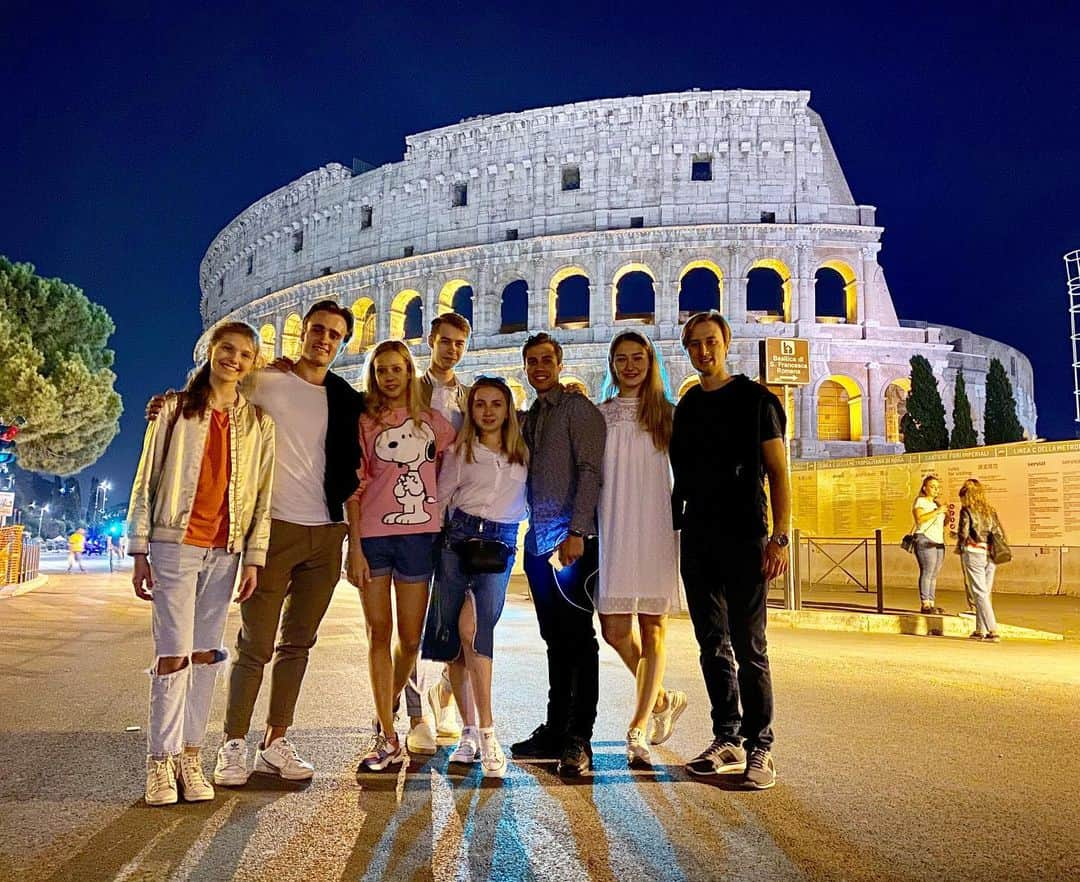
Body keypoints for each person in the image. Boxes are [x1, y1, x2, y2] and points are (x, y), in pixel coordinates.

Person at [150, 300, 365, 786]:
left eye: (334, 334)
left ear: (343, 342)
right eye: (317, 330)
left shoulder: (344, 397)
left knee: (299, 644)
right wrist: (170, 403)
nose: (324, 340)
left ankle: (275, 740)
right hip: (273, 529)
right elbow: (214, 388)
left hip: (326, 533)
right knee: (255, 645)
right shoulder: (265, 381)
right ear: (302, 332)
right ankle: (232, 744)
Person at [127, 321, 275, 807]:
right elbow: (146, 479)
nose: (233, 359)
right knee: (172, 655)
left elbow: (262, 498)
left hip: (227, 550)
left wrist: (254, 558)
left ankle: (192, 754)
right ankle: (160, 760)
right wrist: (139, 550)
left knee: (206, 655)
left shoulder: (259, 423)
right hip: (176, 545)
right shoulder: (172, 409)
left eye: (244, 355)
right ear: (211, 353)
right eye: (226, 350)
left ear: (252, 364)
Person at [669, 310, 789, 790]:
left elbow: (778, 470)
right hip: (698, 536)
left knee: (750, 645)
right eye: (695, 344)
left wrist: (780, 537)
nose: (703, 350)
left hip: (745, 535)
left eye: (710, 341)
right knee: (711, 644)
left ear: (726, 342)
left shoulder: (757, 399)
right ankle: (727, 738)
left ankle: (761, 747)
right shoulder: (689, 405)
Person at [347, 341, 456, 771]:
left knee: (410, 639)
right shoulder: (364, 423)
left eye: (396, 369)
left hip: (419, 537)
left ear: (409, 372)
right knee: (379, 633)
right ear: (373, 376)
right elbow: (353, 489)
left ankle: (384, 707)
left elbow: (460, 462)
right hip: (373, 538)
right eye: (381, 370)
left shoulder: (434, 423)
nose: (389, 377)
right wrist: (353, 547)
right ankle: (388, 735)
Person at [421, 376, 529, 778]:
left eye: (496, 404)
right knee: (456, 636)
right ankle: (470, 731)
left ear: (508, 409)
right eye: (480, 403)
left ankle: (486, 731)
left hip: (500, 545)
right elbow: (442, 496)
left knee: (475, 632)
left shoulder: (523, 454)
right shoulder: (460, 451)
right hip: (457, 542)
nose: (487, 411)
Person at [510, 333, 606, 778]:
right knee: (554, 640)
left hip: (570, 544)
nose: (539, 367)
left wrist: (578, 532)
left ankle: (578, 738)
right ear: (526, 368)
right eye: (532, 362)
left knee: (579, 641)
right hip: (537, 545)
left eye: (546, 359)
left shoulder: (577, 409)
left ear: (559, 362)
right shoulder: (530, 419)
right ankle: (554, 728)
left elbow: (591, 471)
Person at [596, 330, 687, 767]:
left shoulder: (669, 416)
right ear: (612, 365)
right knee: (614, 629)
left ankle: (637, 727)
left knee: (653, 629)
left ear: (651, 363)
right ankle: (663, 698)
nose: (629, 366)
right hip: (613, 525)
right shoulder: (600, 416)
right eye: (621, 359)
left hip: (654, 526)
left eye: (637, 358)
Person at [402, 313, 473, 755]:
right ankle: (413, 714)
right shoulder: (410, 392)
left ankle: (445, 693)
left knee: (455, 618)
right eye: (445, 341)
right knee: (411, 623)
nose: (451, 349)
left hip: (455, 521)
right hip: (412, 515)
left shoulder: (469, 398)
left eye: (459, 343)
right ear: (430, 341)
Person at [955, 478, 1004, 642]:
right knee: (984, 593)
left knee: (979, 593)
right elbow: (999, 533)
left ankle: (992, 630)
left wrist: (959, 543)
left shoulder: (967, 510)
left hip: (974, 551)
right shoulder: (990, 510)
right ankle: (980, 629)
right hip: (991, 554)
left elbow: (963, 533)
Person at [911, 475, 947, 614]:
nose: (936, 490)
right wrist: (937, 511)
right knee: (927, 571)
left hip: (938, 541)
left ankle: (931, 603)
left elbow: (939, 522)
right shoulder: (921, 501)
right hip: (925, 539)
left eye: (937, 487)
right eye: (932, 486)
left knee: (934, 573)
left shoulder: (936, 504)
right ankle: (925, 603)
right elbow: (920, 519)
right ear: (925, 488)